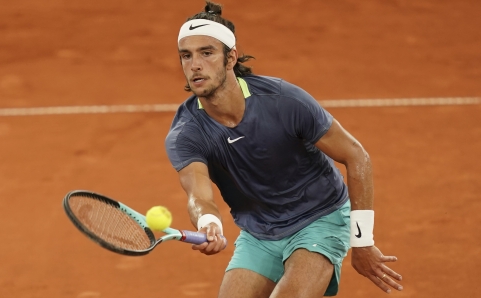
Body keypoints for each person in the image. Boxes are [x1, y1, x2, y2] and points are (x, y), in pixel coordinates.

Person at [165, 1, 403, 297]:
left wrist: (362, 240)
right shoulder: (185, 133)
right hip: (259, 233)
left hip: (320, 217)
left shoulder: (283, 101)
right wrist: (208, 222)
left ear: (230, 58)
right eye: (185, 56)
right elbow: (198, 195)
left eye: (207, 53)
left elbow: (357, 156)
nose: (195, 65)